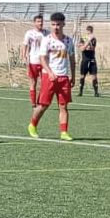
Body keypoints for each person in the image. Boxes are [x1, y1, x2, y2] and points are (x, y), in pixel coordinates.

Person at [28, 11, 76, 140]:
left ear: (63, 24)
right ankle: (32, 125)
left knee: (63, 106)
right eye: (53, 24)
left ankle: (64, 132)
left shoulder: (68, 41)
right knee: (44, 105)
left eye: (58, 24)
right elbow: (42, 58)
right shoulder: (47, 40)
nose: (56, 27)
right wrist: (49, 72)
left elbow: (72, 59)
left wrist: (73, 76)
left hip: (64, 77)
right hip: (49, 77)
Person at [21, 15, 48, 106]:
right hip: (33, 61)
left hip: (44, 62)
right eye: (38, 21)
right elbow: (25, 44)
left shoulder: (47, 33)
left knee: (44, 83)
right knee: (33, 82)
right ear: (34, 23)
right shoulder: (29, 33)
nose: (40, 23)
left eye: (41, 21)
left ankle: (40, 101)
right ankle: (33, 102)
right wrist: (23, 56)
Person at [78, 24, 100, 97]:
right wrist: (88, 41)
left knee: (94, 76)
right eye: (88, 31)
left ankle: (96, 92)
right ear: (86, 31)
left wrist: (88, 44)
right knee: (82, 75)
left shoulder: (94, 39)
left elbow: (92, 48)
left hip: (92, 59)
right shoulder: (83, 38)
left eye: (91, 31)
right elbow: (82, 49)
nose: (89, 33)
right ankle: (80, 91)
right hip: (85, 59)